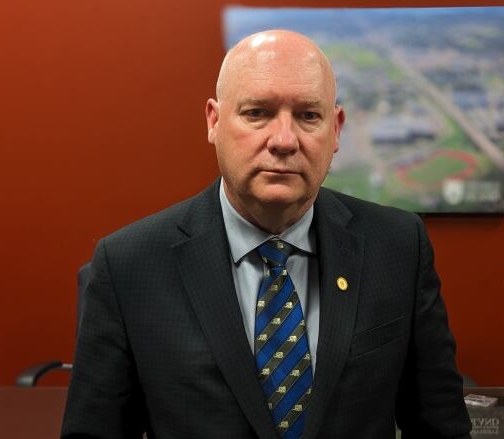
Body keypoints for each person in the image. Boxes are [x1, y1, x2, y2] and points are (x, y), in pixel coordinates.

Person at [62, 30, 471, 439]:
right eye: (257, 113)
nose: (284, 141)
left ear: (337, 129)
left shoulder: (398, 247)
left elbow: (440, 426)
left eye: (309, 115)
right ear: (214, 121)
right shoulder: (130, 264)